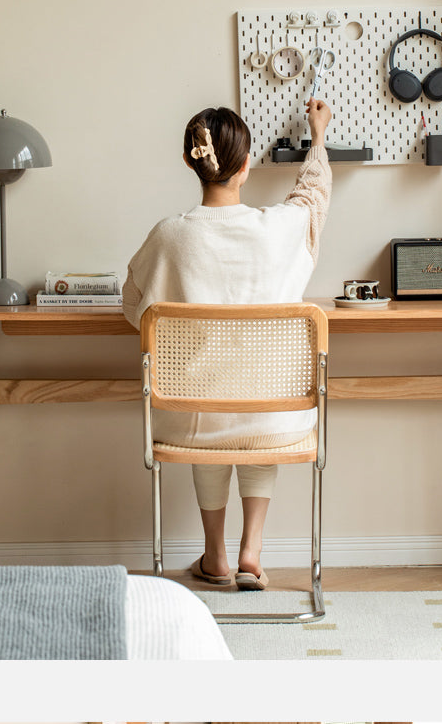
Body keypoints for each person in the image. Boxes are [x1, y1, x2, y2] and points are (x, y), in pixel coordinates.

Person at [123, 98, 332, 590]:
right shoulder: (280, 229)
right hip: (276, 418)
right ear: (244, 166)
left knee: (213, 412)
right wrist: (317, 137)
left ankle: (214, 556)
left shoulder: (169, 235)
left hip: (189, 420)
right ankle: (251, 554)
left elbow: (134, 307)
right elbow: (313, 195)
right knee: (254, 413)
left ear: (189, 161)